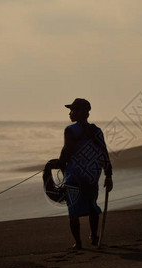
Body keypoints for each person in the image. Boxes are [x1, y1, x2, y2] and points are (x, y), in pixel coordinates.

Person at [59, 98, 113, 250]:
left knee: (73, 210)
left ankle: (78, 243)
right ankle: (94, 237)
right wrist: (108, 175)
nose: (70, 113)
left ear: (81, 112)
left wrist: (60, 164)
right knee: (91, 206)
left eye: (72, 110)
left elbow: (66, 152)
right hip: (91, 175)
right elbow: (104, 154)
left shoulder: (70, 130)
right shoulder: (97, 131)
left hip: (74, 177)